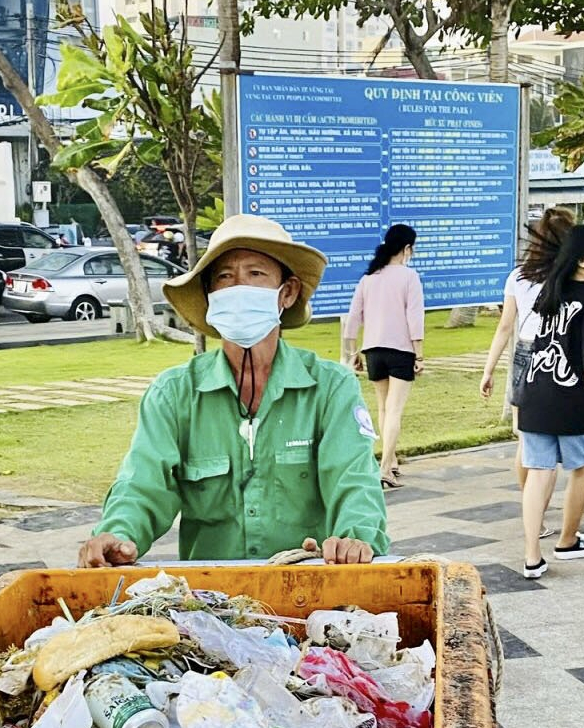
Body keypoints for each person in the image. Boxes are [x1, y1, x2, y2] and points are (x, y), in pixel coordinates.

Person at [80, 214, 388, 567]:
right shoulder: (174, 394)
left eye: (255, 274)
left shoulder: (331, 388)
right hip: (210, 599)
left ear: (286, 293)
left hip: (309, 589)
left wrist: (356, 537)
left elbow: (354, 480)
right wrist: (118, 534)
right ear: (210, 296)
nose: (238, 287)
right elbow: (141, 484)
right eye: (225, 277)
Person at [516, 222, 584, 580]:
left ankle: (531, 557)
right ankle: (568, 540)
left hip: (534, 395)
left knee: (539, 474)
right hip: (571, 398)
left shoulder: (549, 292)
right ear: (583, 256)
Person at [478, 208, 574, 493]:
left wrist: (489, 369)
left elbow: (505, 326)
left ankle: (530, 506)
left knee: (526, 437)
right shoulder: (572, 275)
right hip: (560, 354)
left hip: (524, 351)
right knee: (554, 438)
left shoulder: (518, 275)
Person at [341, 223, 425, 489]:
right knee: (395, 410)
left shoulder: (369, 278)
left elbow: (354, 316)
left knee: (383, 408)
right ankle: (385, 467)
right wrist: (419, 354)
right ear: (407, 248)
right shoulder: (409, 277)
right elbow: (414, 316)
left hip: (373, 349)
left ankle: (391, 460)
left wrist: (351, 351)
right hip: (400, 350)